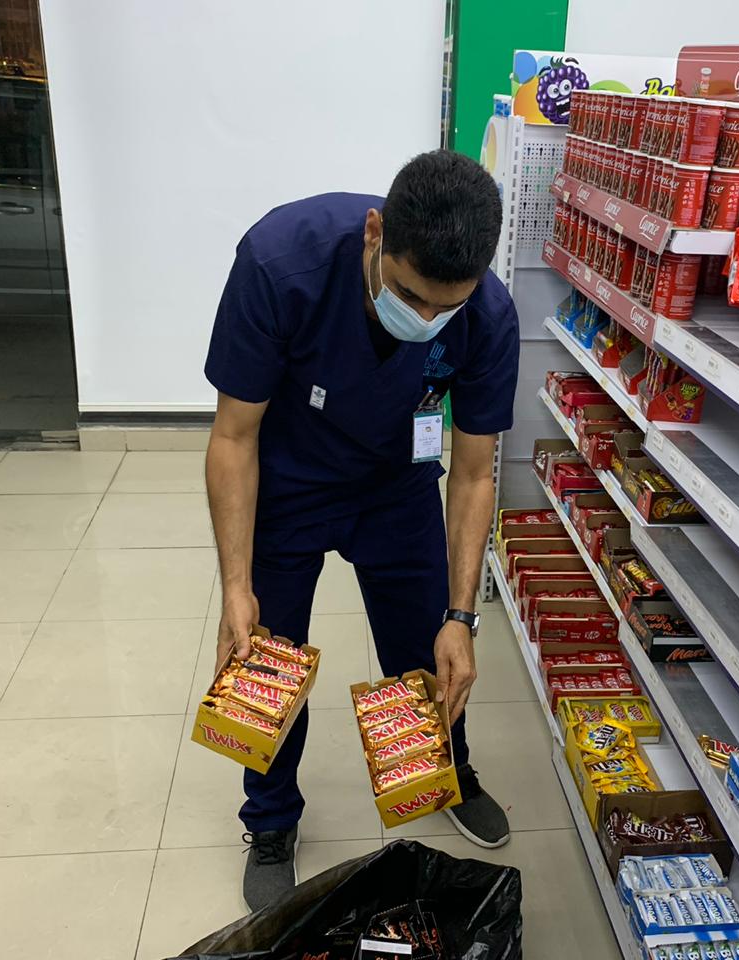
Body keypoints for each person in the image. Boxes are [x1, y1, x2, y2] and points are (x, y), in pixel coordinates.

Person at [203, 150, 521, 910]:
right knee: (265, 655)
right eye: (411, 297)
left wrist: (462, 614)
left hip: (397, 485)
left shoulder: (488, 315)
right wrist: (235, 587)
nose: (428, 321)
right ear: (375, 233)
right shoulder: (281, 262)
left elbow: (474, 474)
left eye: (447, 307)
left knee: (426, 647)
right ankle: (271, 818)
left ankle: (441, 772)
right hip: (289, 478)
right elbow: (233, 437)